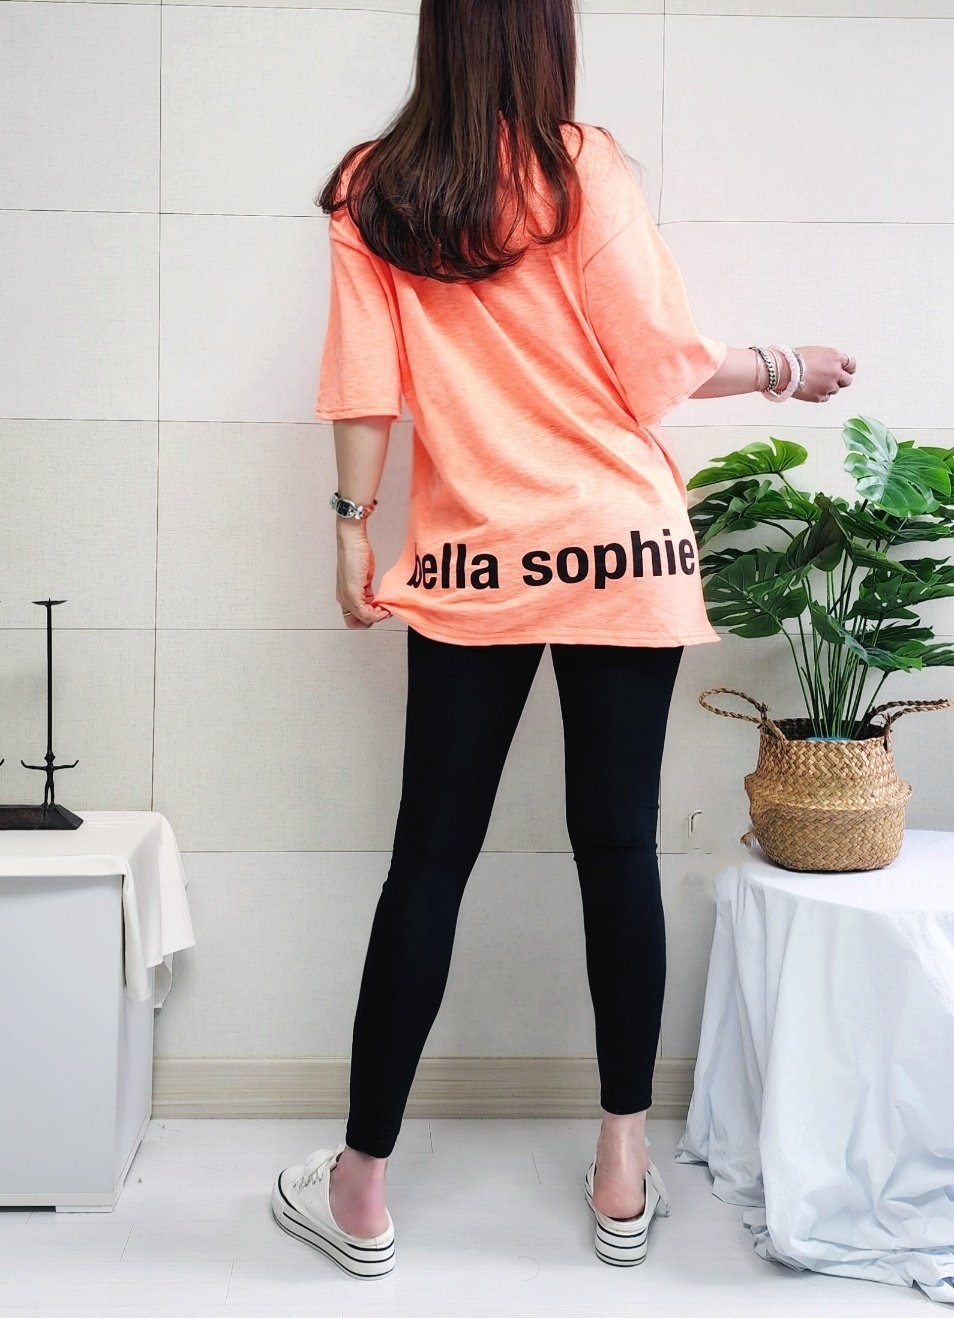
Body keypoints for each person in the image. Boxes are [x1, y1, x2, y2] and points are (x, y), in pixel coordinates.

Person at [270, 0, 856, 1279]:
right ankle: (622, 1165)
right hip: (620, 548)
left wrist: (349, 528)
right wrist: (782, 362)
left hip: (476, 558)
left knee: (430, 859)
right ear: (545, 37)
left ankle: (359, 1185)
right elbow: (657, 364)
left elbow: (366, 383)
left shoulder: (376, 188)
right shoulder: (580, 164)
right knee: (617, 848)